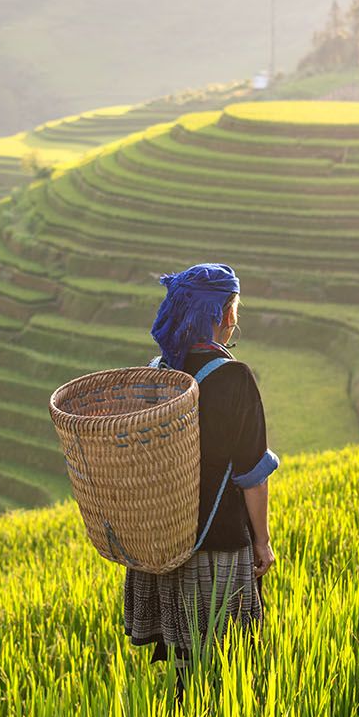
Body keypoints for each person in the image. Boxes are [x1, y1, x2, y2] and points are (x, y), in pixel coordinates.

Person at [123, 264, 278, 683]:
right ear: (224, 315)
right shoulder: (234, 378)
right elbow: (252, 474)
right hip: (220, 545)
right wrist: (262, 542)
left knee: (184, 659)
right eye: (233, 311)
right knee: (228, 666)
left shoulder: (157, 374)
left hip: (165, 545)